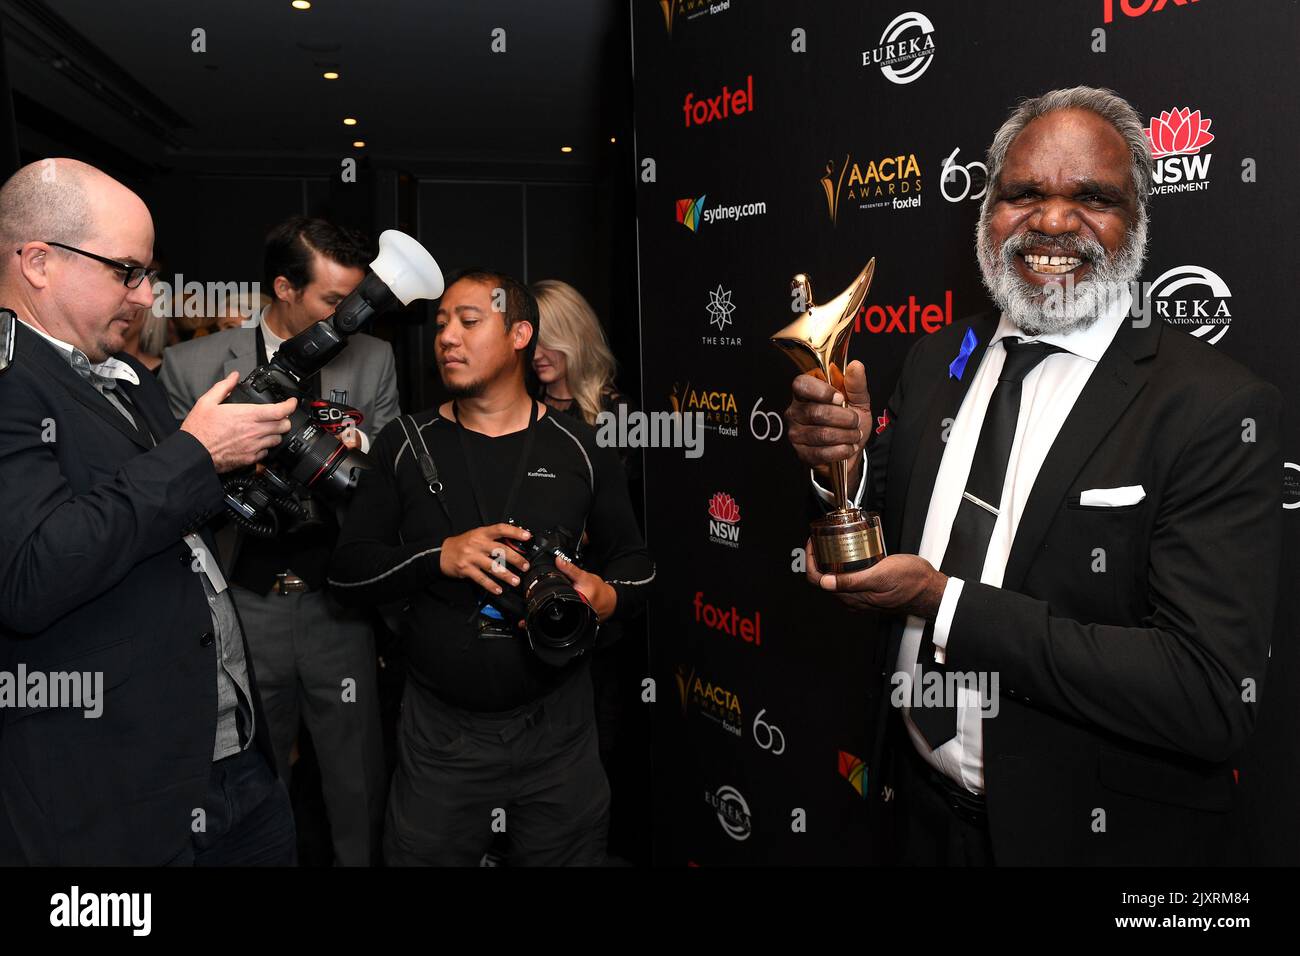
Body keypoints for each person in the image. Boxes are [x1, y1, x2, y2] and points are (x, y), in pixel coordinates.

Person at [785, 87, 1280, 866]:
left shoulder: (1214, 408)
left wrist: (943, 604)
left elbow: (1206, 692)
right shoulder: (936, 361)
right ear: (987, 212)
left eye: (1092, 197)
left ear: (1139, 222)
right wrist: (834, 471)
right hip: (908, 810)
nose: (1052, 222)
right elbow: (881, 522)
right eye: (1024, 195)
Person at [0, 158, 299, 865]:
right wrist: (198, 453)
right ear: (39, 261)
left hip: (231, 756)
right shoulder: (11, 381)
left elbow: (158, 523)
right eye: (125, 271)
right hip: (117, 791)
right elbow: (30, 574)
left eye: (148, 273)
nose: (145, 295)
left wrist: (240, 474)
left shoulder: (124, 375)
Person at [328, 268, 654, 866]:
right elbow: (347, 572)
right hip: (441, 742)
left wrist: (605, 596)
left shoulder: (581, 446)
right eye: (442, 323)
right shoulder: (404, 443)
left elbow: (635, 563)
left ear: (521, 334)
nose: (447, 336)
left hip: (560, 737)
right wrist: (439, 556)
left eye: (470, 322)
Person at [160, 216, 397, 866]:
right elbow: (165, 495)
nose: (349, 317)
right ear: (284, 288)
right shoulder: (192, 366)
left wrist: (363, 453)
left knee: (355, 783)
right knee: (255, 780)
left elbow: (392, 486)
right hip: (241, 607)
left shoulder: (374, 358)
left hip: (338, 609)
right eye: (332, 302)